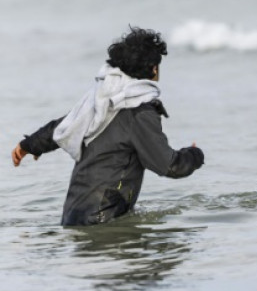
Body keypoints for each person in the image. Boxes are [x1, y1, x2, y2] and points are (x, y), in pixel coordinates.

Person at [11, 27, 205, 226]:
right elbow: (168, 165)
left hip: (72, 216)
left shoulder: (100, 98)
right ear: (154, 69)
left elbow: (62, 127)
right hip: (103, 220)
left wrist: (28, 145)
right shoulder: (139, 112)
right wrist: (195, 155)